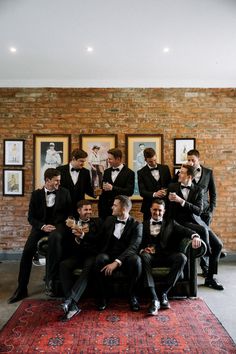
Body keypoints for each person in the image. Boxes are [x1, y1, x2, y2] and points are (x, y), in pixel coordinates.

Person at [8, 168, 72, 304]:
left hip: (58, 226)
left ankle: (51, 281)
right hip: (40, 227)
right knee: (27, 252)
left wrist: (66, 224)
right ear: (47, 180)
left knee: (55, 238)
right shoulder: (36, 194)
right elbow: (31, 217)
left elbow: (69, 213)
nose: (58, 183)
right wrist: (42, 226)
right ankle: (21, 288)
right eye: (56, 181)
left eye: (59, 181)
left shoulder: (65, 193)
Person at [140, 199, 202, 315]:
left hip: (166, 255)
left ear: (164, 211)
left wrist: (195, 236)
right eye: (155, 210)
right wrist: (143, 249)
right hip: (150, 257)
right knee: (143, 256)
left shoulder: (171, 223)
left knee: (182, 258)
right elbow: (137, 241)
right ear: (150, 210)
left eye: (160, 210)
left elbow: (186, 230)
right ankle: (154, 298)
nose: (157, 213)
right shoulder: (142, 224)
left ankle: (164, 293)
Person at [168, 164, 224, 290]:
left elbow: (198, 211)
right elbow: (170, 212)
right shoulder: (172, 187)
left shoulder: (198, 190)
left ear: (189, 176)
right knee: (203, 230)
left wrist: (181, 201)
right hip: (181, 223)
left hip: (197, 221)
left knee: (219, 245)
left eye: (181, 172)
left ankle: (210, 278)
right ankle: (208, 252)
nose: (178, 174)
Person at [94, 195, 143, 311]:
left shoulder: (137, 224)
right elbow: (98, 238)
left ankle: (133, 296)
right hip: (109, 255)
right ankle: (103, 296)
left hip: (126, 258)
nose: (112, 207)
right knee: (100, 258)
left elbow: (134, 247)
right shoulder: (109, 220)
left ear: (124, 209)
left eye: (115, 205)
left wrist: (117, 262)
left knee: (136, 260)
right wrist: (82, 235)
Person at [60, 200, 102, 321]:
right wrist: (76, 238)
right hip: (76, 255)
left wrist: (82, 235)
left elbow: (98, 239)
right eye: (86, 210)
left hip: (91, 255)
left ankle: (70, 300)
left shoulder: (97, 222)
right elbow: (66, 243)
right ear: (79, 211)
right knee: (64, 265)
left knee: (88, 267)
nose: (89, 212)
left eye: (90, 209)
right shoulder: (70, 224)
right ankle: (73, 305)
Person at [186, 149, 220, 276]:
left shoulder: (208, 173)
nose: (190, 162)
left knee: (207, 239)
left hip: (204, 212)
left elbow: (213, 193)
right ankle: (191, 269)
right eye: (188, 159)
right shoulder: (185, 172)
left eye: (192, 160)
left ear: (198, 159)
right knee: (196, 238)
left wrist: (211, 210)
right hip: (191, 213)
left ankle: (206, 269)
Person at [98, 148, 135, 220]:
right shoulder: (106, 172)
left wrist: (113, 188)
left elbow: (129, 191)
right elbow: (104, 190)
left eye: (110, 159)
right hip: (105, 211)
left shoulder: (129, 173)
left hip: (120, 210)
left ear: (118, 159)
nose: (108, 161)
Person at [57, 148, 95, 216]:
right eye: (81, 161)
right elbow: (56, 189)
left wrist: (95, 193)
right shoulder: (60, 170)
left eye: (84, 161)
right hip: (63, 209)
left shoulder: (86, 172)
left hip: (80, 210)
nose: (83, 164)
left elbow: (87, 189)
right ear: (73, 158)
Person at [138, 147, 171, 220]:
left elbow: (170, 185)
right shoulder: (141, 172)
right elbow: (142, 192)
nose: (153, 163)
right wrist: (155, 194)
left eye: (154, 160)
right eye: (150, 161)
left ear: (156, 156)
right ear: (145, 160)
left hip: (165, 206)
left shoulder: (165, 168)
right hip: (148, 207)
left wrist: (166, 191)